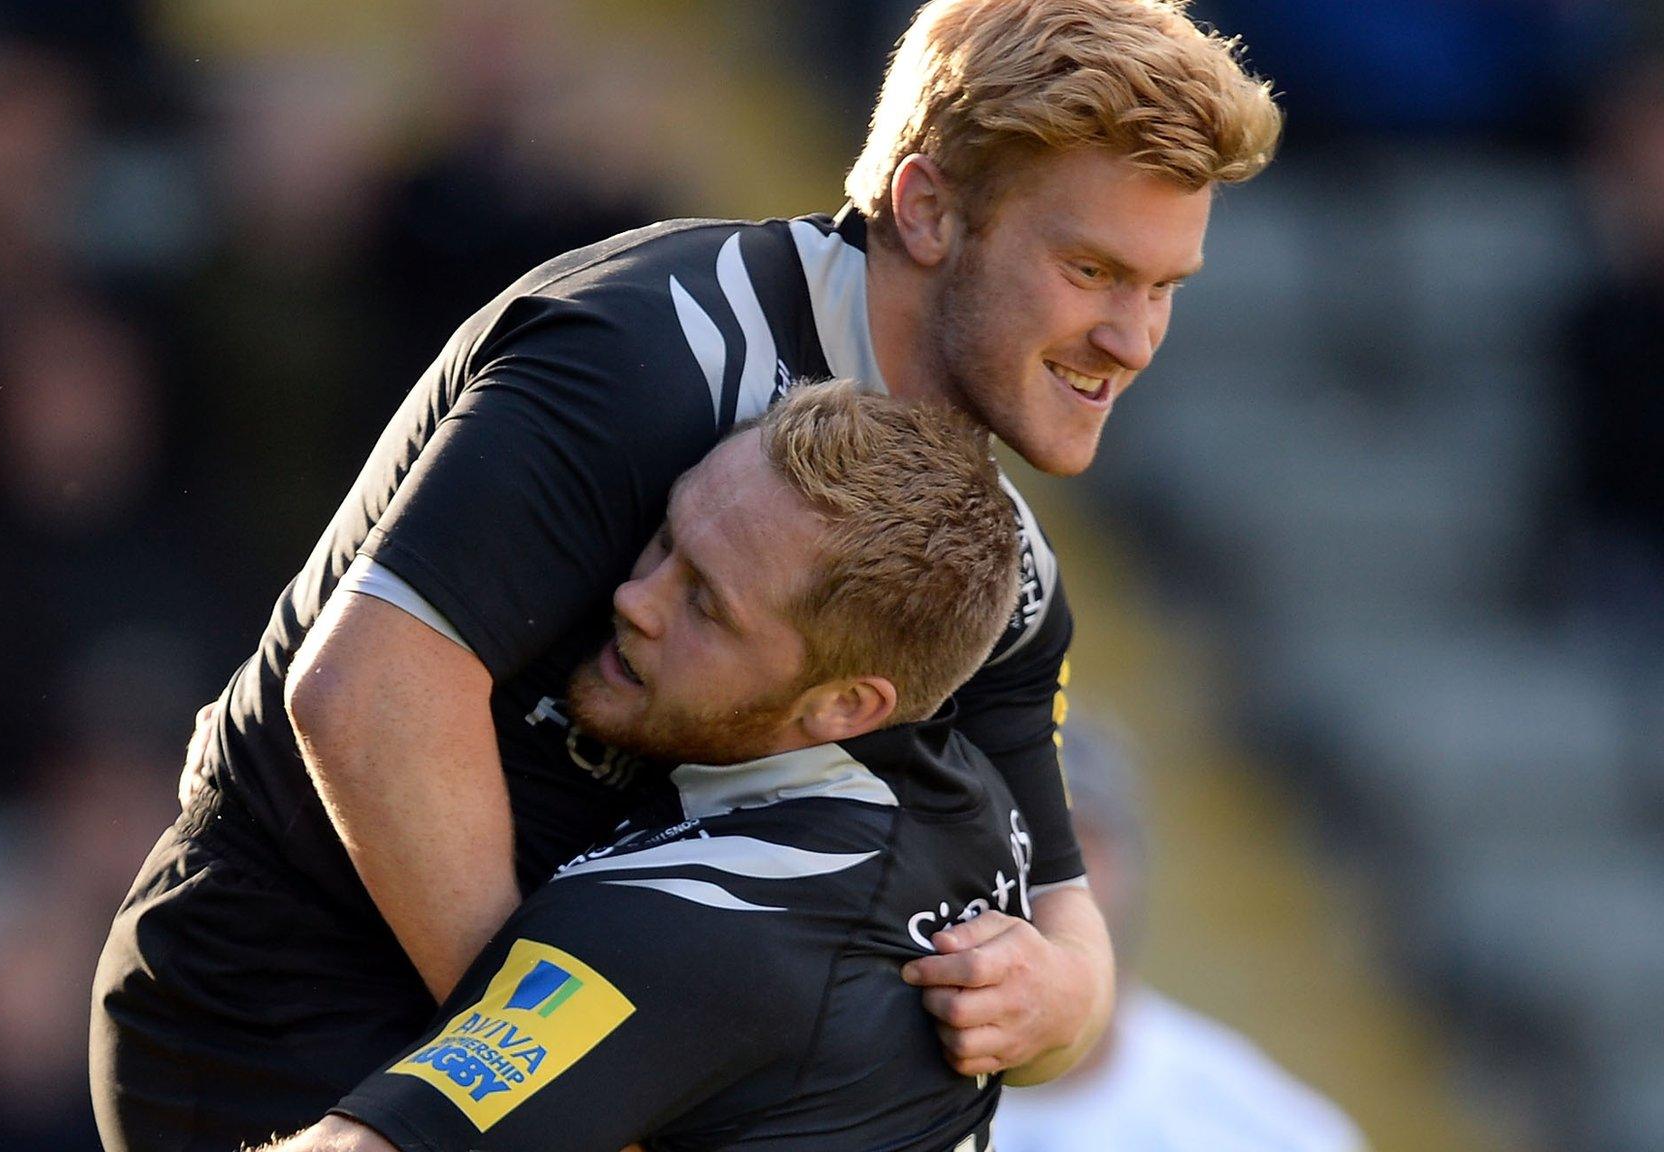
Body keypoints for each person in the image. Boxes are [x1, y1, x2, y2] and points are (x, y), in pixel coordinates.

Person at [91, 3, 1283, 1148]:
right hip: (281, 1009)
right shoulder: (652, 349)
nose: (1132, 339)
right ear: (923, 206)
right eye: (1089, 271)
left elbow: (1057, 899)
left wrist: (1061, 998)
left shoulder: (995, 570)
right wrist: (561, 1081)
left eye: (1161, 288)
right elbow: (363, 700)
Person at [275, 381, 1032, 1152]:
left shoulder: (684, 919)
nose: (636, 597)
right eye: (667, 537)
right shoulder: (972, 798)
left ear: (845, 705)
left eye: (706, 605)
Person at [989, 721, 1367, 1152]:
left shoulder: (1272, 1134)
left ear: (1131, 863)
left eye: (1068, 846)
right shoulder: (899, 1096)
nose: (1030, 879)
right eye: (1003, 843)